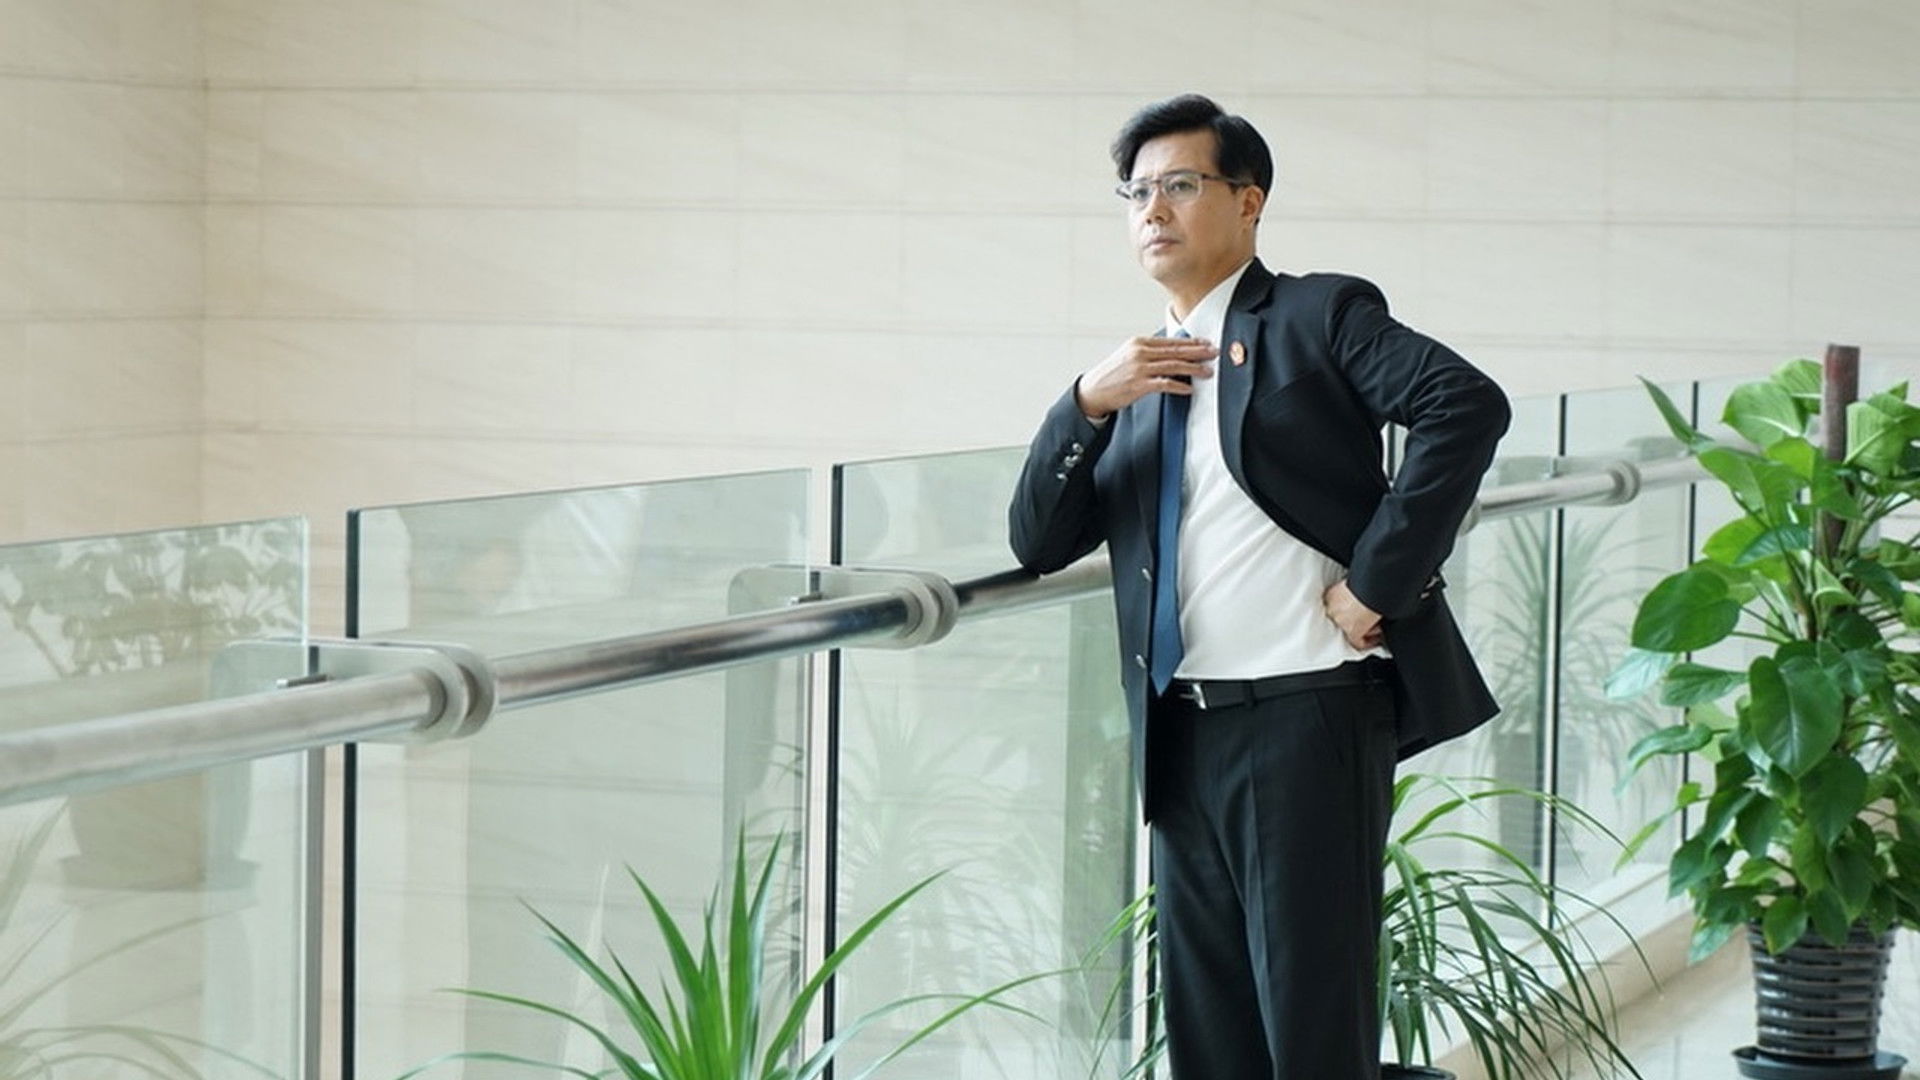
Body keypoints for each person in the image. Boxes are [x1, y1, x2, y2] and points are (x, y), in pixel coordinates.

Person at [1008, 94, 1511, 1079]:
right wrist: (1085, 403)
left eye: (1180, 185)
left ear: (1248, 202)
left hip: (1307, 720)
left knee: (1310, 1027)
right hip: (1181, 733)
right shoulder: (1134, 383)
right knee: (1211, 1036)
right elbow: (1036, 539)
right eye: (1137, 193)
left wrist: (1377, 584)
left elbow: (1465, 405)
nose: (1154, 210)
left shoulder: (1316, 316)